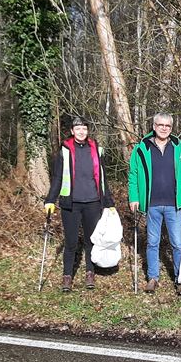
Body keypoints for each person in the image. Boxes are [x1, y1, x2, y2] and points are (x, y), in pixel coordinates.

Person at [128, 113, 181, 295]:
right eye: (160, 125)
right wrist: (133, 197)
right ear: (154, 126)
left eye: (167, 125)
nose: (164, 128)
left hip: (174, 205)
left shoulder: (180, 147)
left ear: (171, 128)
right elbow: (133, 175)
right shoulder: (142, 148)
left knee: (177, 243)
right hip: (152, 204)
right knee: (152, 242)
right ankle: (153, 278)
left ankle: (180, 279)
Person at [44, 116, 115, 292]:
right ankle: (67, 276)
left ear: (88, 130)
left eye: (84, 128)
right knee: (71, 242)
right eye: (78, 129)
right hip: (71, 203)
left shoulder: (96, 150)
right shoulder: (65, 150)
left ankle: (90, 273)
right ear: (72, 131)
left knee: (92, 241)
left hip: (93, 202)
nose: (81, 131)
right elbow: (58, 177)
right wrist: (51, 199)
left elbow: (103, 178)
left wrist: (108, 201)